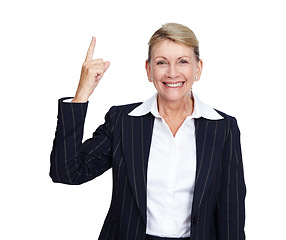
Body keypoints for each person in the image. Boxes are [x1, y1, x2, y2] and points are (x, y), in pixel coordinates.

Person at [50, 23, 246, 240]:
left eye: (183, 62)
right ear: (148, 70)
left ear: (198, 69)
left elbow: (231, 212)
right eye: (162, 62)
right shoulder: (122, 122)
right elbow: (67, 173)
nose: (172, 73)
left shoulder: (223, 127)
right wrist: (82, 94)